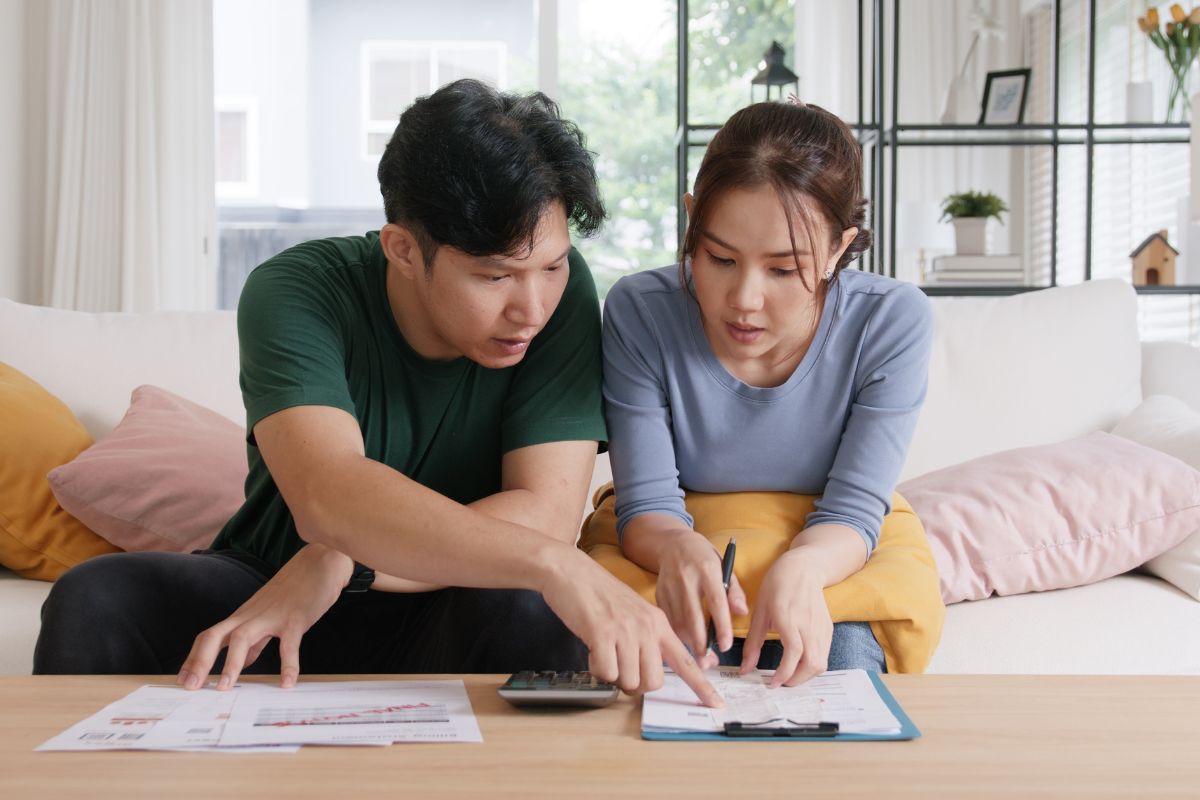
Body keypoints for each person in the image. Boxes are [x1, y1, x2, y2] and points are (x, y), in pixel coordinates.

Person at [34, 79, 720, 707]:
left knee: (528, 609)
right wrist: (548, 563)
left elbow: (544, 511)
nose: (531, 307)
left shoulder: (562, 298)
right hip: (273, 583)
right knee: (95, 598)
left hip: (441, 594)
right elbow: (330, 494)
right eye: (494, 277)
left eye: (551, 265)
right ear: (401, 249)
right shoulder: (296, 291)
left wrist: (345, 562)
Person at [593, 98, 943, 689]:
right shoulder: (640, 311)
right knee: (653, 673)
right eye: (719, 258)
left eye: (784, 270)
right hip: (672, 539)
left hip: (835, 546)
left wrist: (804, 566)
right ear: (691, 222)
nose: (745, 299)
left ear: (838, 248)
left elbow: (855, 510)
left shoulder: (891, 320)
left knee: (840, 663)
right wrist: (680, 548)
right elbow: (647, 504)